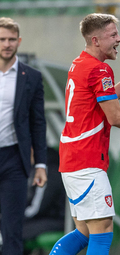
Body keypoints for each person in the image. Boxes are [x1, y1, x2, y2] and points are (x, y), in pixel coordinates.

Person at [50, 13, 120, 255]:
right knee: (102, 230)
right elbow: (115, 116)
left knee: (84, 232)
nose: (119, 39)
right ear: (96, 40)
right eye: (113, 35)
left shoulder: (79, 63)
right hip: (87, 161)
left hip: (72, 159)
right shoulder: (100, 70)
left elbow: (99, 103)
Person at [0, 17, 47, 255]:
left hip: (13, 160)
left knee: (12, 230)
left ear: (18, 42)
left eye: (11, 39)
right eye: (2, 39)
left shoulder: (32, 77)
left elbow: (38, 123)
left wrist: (40, 164)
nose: (6, 44)